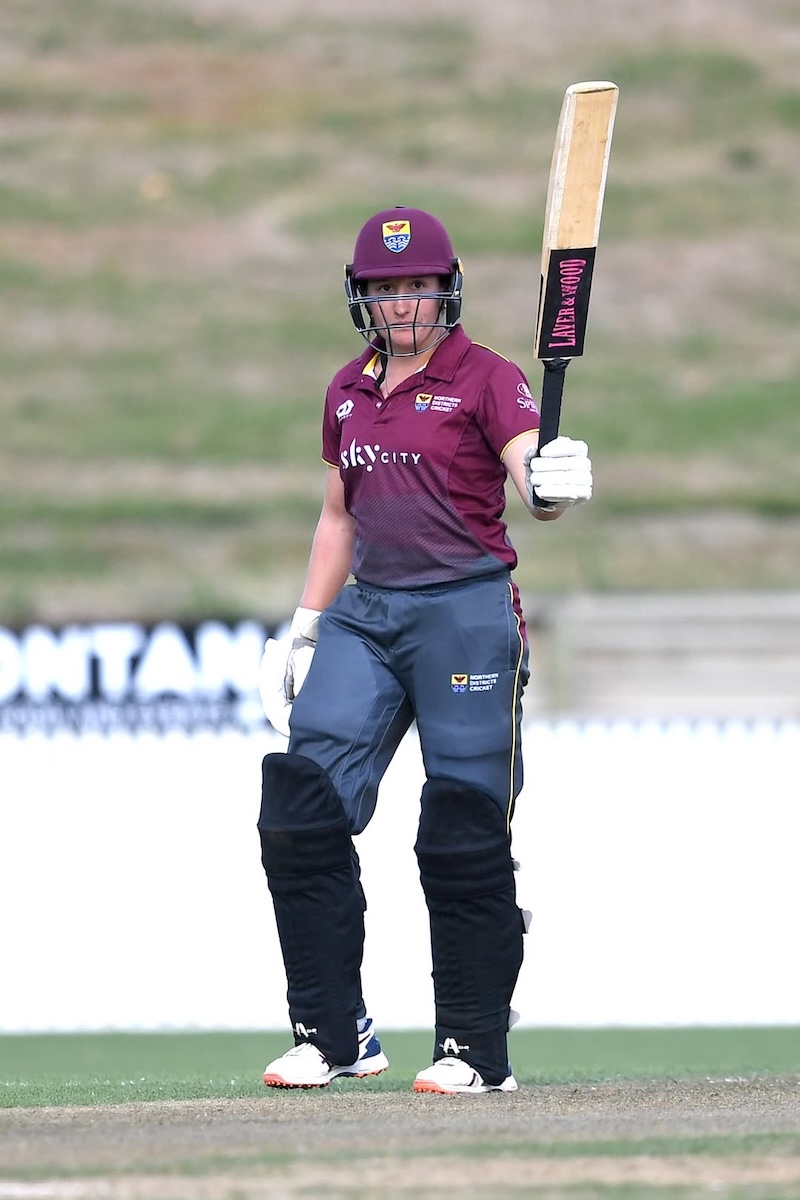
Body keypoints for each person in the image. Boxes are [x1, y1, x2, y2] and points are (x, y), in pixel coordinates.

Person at [256, 205, 592, 1094]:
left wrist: (554, 482)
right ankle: (334, 1037)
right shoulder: (346, 389)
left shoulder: (489, 377)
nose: (401, 302)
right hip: (367, 616)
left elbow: (533, 483)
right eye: (384, 287)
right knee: (298, 808)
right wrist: (305, 624)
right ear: (359, 296)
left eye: (416, 285)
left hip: (464, 611)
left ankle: (475, 1049)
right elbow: (340, 513)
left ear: (446, 290)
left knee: (461, 826)